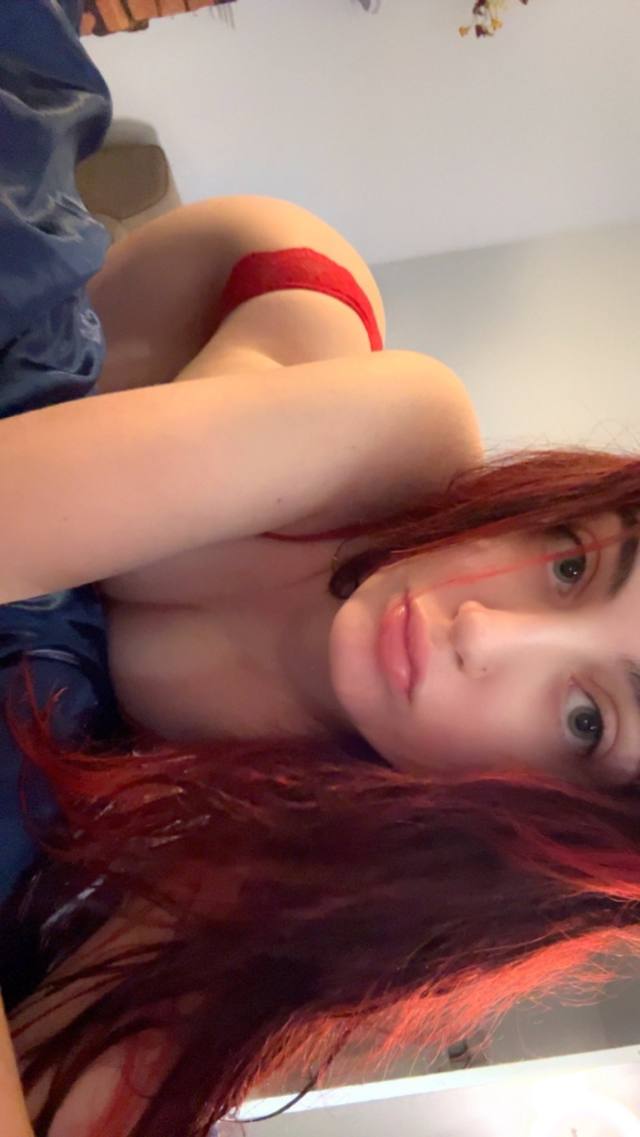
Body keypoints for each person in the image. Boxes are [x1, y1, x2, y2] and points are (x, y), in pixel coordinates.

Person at [2, 3, 640, 1137]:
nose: (481, 632)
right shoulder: (396, 431)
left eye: (585, 719)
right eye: (569, 563)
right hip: (175, 307)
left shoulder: (311, 870)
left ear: (555, 828)